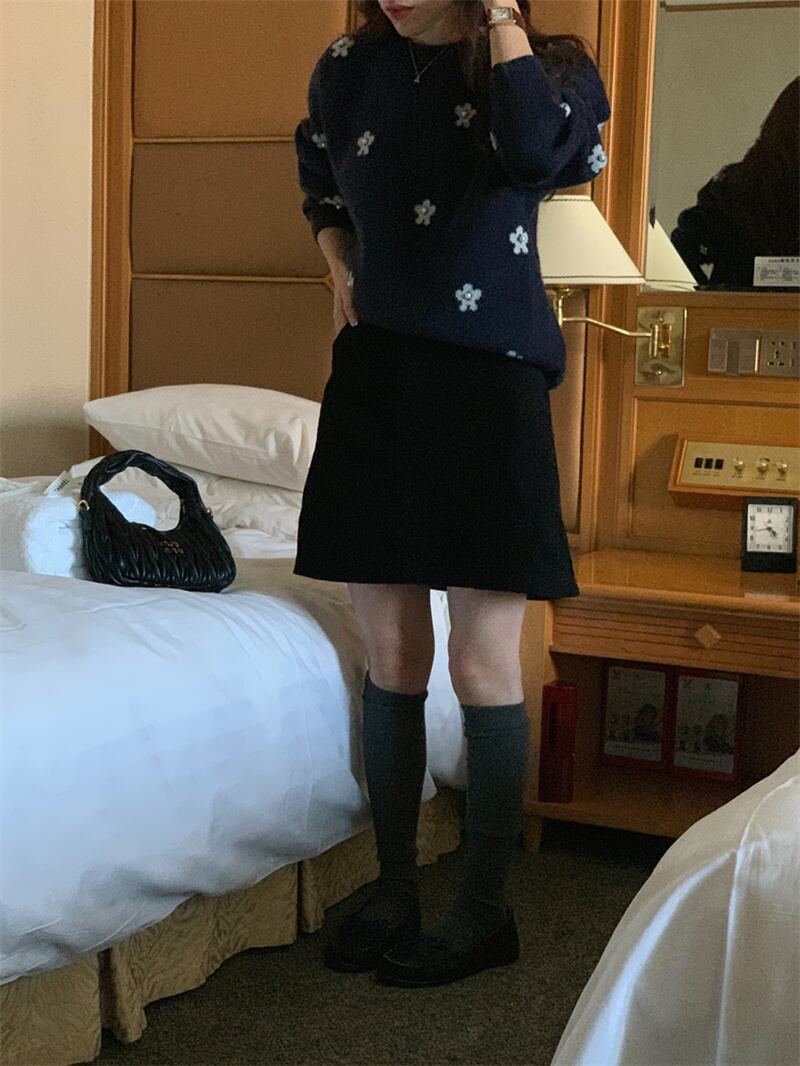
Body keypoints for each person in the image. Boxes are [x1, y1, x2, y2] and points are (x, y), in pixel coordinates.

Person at [293, 0, 611, 989]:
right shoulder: (347, 67)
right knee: (391, 654)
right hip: (376, 381)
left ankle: (483, 909)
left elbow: (540, 154)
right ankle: (395, 887)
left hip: (490, 386)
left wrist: (501, 23)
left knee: (480, 661)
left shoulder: (553, 69)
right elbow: (318, 176)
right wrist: (336, 258)